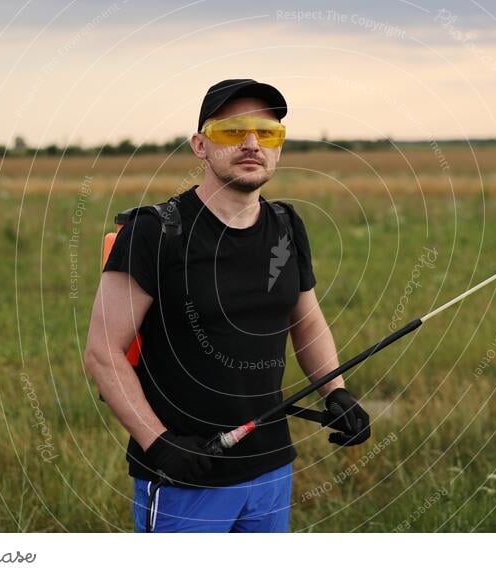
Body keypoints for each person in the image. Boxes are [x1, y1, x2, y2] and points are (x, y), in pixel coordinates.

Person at [84, 79, 371, 532]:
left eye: (268, 133)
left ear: (279, 147)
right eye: (233, 131)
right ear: (201, 145)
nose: (252, 143)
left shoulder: (286, 225)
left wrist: (335, 392)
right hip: (186, 476)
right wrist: (158, 445)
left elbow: (307, 319)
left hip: (271, 468)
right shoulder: (154, 232)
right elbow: (102, 352)